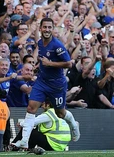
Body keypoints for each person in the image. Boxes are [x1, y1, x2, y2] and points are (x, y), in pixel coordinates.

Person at [13, 18, 80, 149]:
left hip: (56, 85)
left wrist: (50, 64)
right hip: (42, 82)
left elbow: (69, 63)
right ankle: (24, 141)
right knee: (31, 108)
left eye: (50, 27)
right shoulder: (40, 43)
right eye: (45, 27)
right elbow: (43, 60)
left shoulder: (57, 45)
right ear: (41, 28)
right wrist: (38, 67)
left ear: (53, 28)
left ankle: (73, 125)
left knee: (60, 113)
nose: (47, 30)